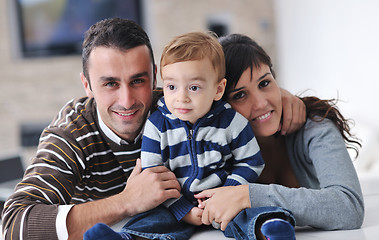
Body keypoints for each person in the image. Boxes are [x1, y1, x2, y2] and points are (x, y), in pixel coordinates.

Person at [1, 18, 304, 239]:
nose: (127, 100)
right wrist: (127, 201)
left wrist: (281, 100)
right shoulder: (72, 136)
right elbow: (14, 224)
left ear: (156, 77)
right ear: (87, 85)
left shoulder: (173, 104)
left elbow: (222, 91)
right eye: (110, 84)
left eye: (138, 80)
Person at [84, 32, 296, 240]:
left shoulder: (232, 122)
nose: (181, 98)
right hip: (173, 206)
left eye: (194, 87)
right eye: (172, 87)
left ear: (218, 89)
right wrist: (183, 211)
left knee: (250, 213)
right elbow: (154, 175)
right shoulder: (157, 125)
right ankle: (125, 238)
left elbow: (251, 162)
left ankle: (270, 230)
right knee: (151, 219)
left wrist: (228, 193)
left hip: (224, 200)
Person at [194, 34, 365, 232]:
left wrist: (247, 196)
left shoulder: (314, 128)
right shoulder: (211, 149)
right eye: (240, 95)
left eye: (264, 83)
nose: (261, 103)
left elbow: (349, 206)